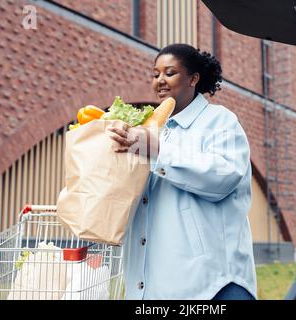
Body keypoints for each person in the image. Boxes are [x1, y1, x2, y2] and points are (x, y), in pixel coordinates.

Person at [108, 43, 257, 300]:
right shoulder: (150, 129)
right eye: (155, 74)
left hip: (215, 286)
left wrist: (158, 151)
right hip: (153, 287)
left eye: (169, 73)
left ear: (193, 78)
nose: (160, 81)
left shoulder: (220, 121)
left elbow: (224, 176)